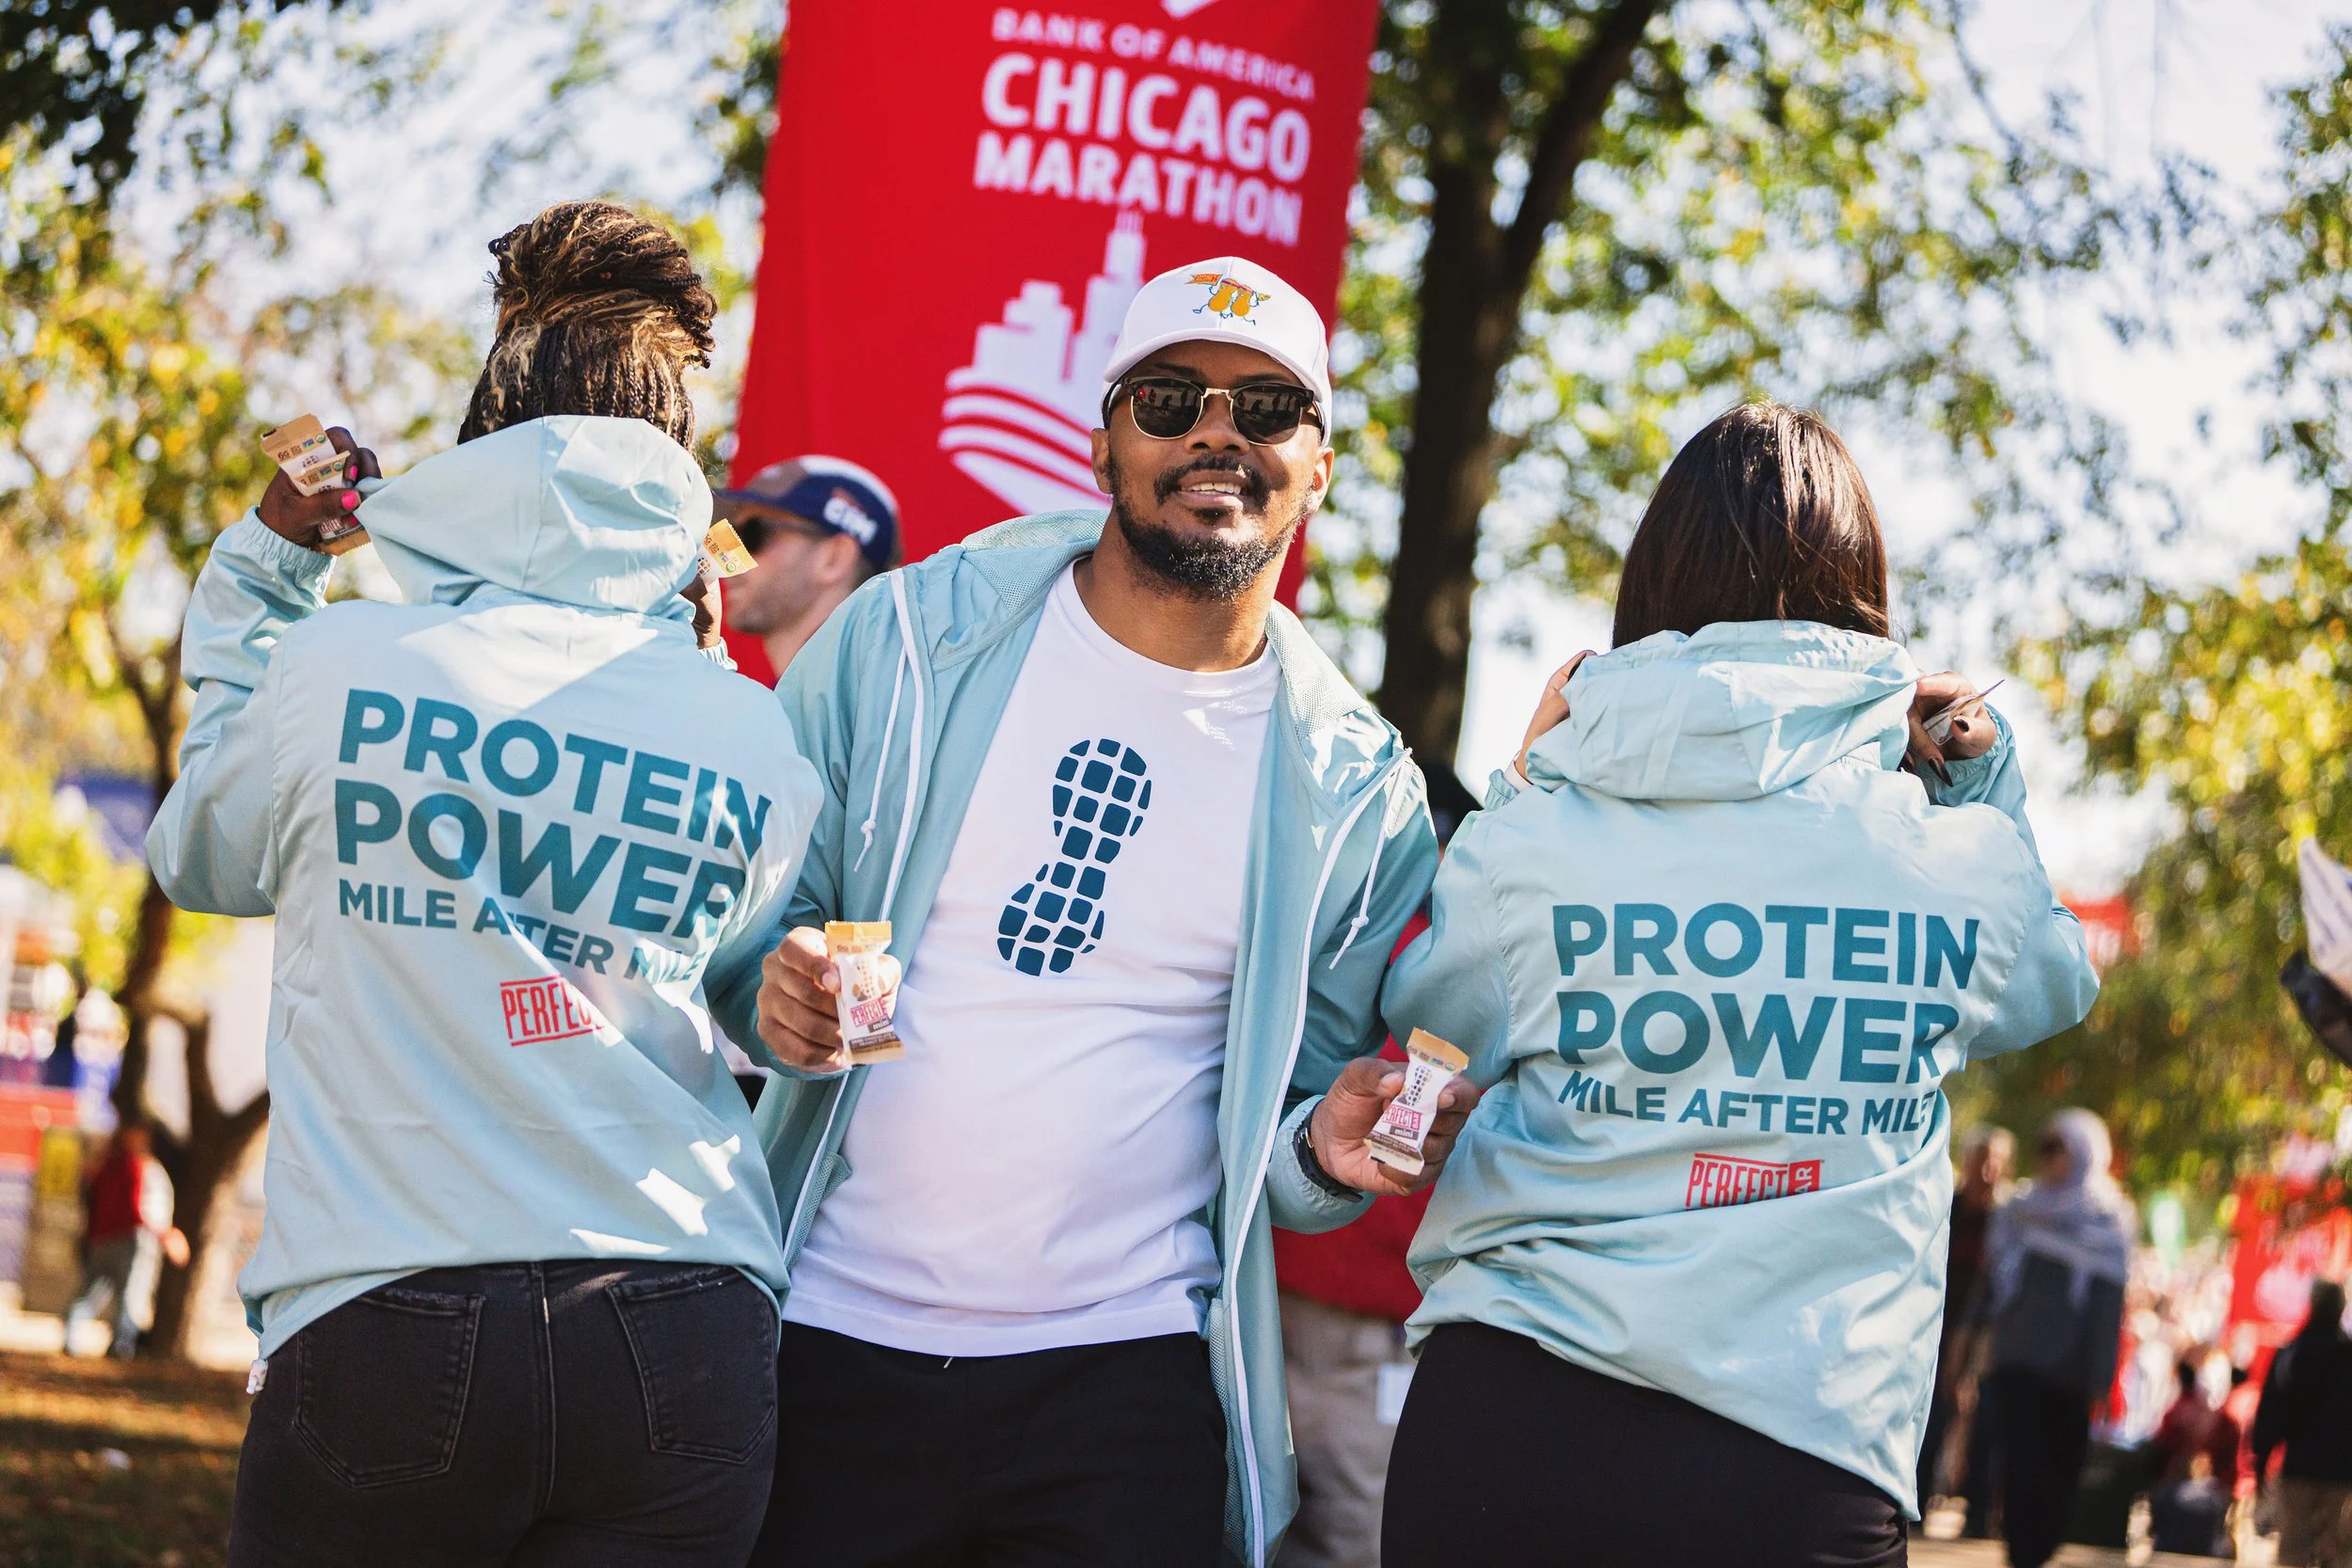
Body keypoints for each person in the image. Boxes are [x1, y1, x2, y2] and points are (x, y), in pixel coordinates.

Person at [723, 255, 1477, 1568]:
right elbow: (752, 908)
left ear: (1323, 465)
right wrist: (768, 983)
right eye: (1173, 396)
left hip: (1128, 1376)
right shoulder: (904, 641)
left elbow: (1297, 1146)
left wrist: (1332, 1150)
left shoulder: (1359, 791)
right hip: (831, 1335)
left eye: (1268, 408)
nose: (1217, 434)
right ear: (1104, 439)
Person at [147, 200, 823, 1567]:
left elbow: (200, 851)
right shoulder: (749, 723)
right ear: (677, 455)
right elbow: (746, 992)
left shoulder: (340, 668)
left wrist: (266, 571)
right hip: (684, 1315)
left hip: (393, 1299)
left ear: (484, 433)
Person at [1378, 400, 2100, 1568]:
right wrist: (1981, 774)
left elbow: (1432, 1023)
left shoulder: (1542, 838)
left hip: (1508, 1420)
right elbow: (2056, 977)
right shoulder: (1952, 867)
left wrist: (1523, 785)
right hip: (1799, 1443)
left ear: (1651, 584)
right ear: (1865, 596)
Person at [1272, 762, 1480, 1568]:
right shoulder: (1445, 951)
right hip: (1342, 1302)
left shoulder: (1348, 929)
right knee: (1353, 1536)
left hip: (1320, 1297)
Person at [1981, 1109, 2136, 1568]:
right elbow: (1991, 1288)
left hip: (2069, 1375)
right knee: (2019, 1468)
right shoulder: (2019, 1210)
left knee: (2060, 1473)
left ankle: (2038, 1550)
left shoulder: (2109, 1223)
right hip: (2016, 1367)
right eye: (2042, 1148)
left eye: (2058, 1149)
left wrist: (2103, 1380)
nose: (2047, 1160)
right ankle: (2021, 1554)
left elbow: (2109, 1309)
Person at [715, 456, 902, 685]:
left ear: (834, 558)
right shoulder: (797, 699)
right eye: (730, 535)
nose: (730, 555)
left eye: (753, 535)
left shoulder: (877, 697)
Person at [1922, 1125, 2014, 1520]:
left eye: (1995, 1161)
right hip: (1939, 1326)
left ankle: (1978, 1511)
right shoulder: (1948, 1209)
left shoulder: (2009, 1219)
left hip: (1988, 1334)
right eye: (1980, 1160)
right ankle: (1921, 1496)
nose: (1987, 1169)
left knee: (1986, 1422)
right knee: (1933, 1413)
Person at [63, 1118, 187, 1357]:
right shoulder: (135, 1166)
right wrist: (165, 1235)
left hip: (103, 1239)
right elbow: (136, 1206)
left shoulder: (105, 1165)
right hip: (130, 1239)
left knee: (92, 1293)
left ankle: (75, 1339)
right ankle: (121, 1348)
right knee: (130, 1294)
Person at [2253, 1278, 2352, 1567]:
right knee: (2338, 1550)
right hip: (2341, 1472)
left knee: (2293, 1550)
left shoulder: (2294, 1352)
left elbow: (2273, 1408)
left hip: (2301, 1469)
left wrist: (2261, 1459)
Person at [2148, 1352, 2241, 1557]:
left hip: (2206, 1506)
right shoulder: (2179, 1415)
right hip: (2178, 1501)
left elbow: (2230, 1474)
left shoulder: (2226, 1424)